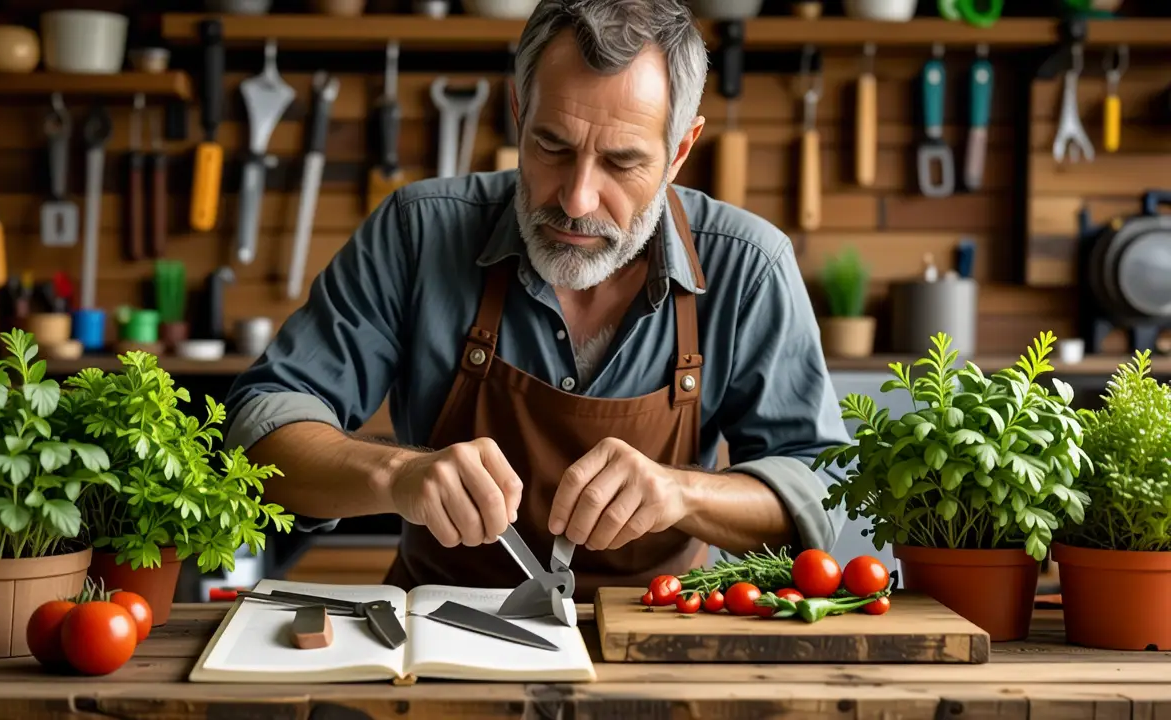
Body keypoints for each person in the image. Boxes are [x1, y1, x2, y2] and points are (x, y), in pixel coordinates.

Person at [223, 0, 851, 599]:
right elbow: (261, 426)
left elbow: (816, 495)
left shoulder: (748, 265)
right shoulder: (418, 233)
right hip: (441, 641)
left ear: (679, 151)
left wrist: (682, 495)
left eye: (621, 161)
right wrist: (397, 475)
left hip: (659, 634)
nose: (577, 199)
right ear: (519, 113)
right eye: (553, 146)